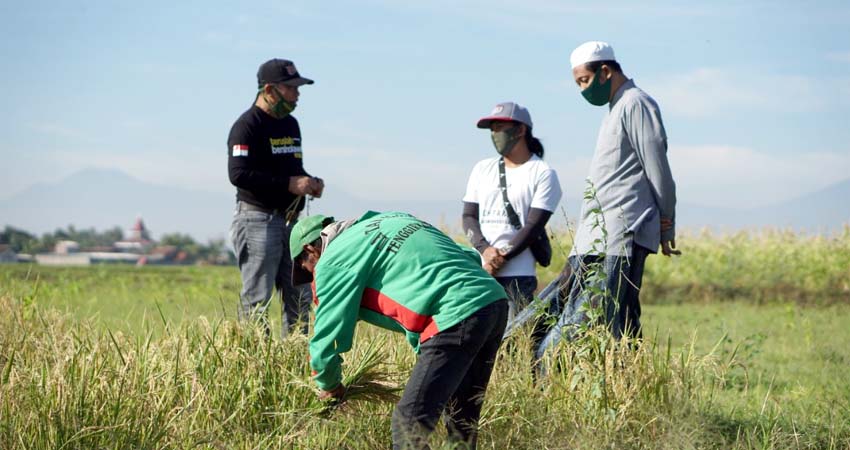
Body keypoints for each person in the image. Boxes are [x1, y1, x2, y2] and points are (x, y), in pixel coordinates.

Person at [290, 211, 508, 450]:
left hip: (453, 315)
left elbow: (325, 342)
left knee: (407, 425)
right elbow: (467, 255)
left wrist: (330, 386)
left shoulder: (332, 260)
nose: (312, 275)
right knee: (460, 421)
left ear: (311, 250)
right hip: (492, 300)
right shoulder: (391, 218)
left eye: (307, 268)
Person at [537, 41, 680, 356]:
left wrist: (666, 227)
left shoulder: (635, 104)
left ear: (605, 71)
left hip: (618, 236)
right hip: (594, 239)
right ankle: (629, 391)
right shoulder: (616, 109)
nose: (582, 90)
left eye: (584, 81)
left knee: (583, 326)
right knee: (615, 324)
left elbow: (658, 170)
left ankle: (548, 385)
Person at [227, 58, 325, 338]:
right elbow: (238, 174)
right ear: (269, 90)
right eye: (290, 88)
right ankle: (255, 362)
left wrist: (309, 182)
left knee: (300, 296)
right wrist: (289, 184)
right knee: (257, 299)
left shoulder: (291, 125)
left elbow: (292, 170)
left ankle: (296, 358)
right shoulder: (246, 126)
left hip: (292, 223)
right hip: (258, 220)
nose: (297, 94)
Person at [462, 102, 562, 324]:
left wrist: (497, 260)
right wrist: (485, 251)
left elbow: (533, 226)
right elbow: (469, 216)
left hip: (518, 275)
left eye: (500, 127)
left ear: (520, 130)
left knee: (514, 341)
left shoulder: (542, 173)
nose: (495, 133)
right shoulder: (482, 169)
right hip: (482, 272)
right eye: (492, 129)